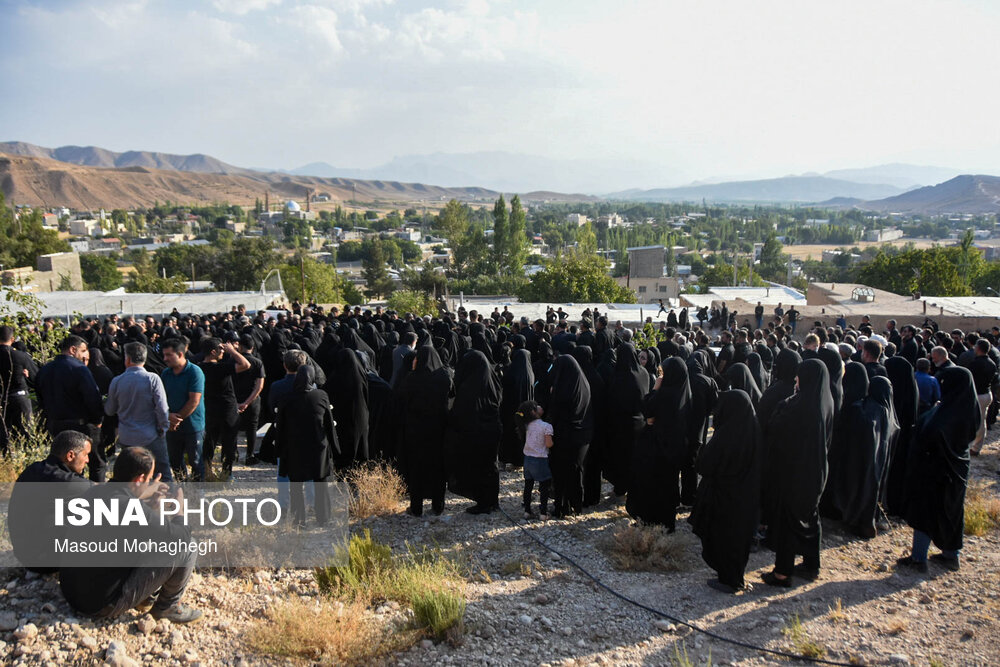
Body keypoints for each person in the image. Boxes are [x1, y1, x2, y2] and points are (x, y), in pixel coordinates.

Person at [58, 447, 202, 623]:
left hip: (71, 593)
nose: (150, 484)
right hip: (100, 604)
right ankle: (167, 607)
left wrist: (150, 505)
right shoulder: (132, 509)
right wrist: (179, 510)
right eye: (149, 480)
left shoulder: (93, 492)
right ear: (140, 479)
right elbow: (180, 536)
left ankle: (146, 596)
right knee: (188, 546)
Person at [898, 366, 979, 573]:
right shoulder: (968, 408)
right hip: (958, 467)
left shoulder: (945, 415)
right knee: (951, 511)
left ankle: (919, 559)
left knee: (925, 514)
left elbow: (930, 435)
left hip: (934, 471)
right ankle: (951, 555)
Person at [762, 359, 834, 587]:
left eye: (799, 376)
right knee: (810, 514)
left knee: (787, 521)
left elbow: (775, 430)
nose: (795, 379)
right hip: (817, 469)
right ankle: (812, 564)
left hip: (793, 471)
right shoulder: (826, 401)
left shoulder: (797, 406)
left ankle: (782, 573)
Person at [691, 390, 761, 593]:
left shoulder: (726, 434)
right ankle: (734, 576)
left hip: (724, 497)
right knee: (738, 539)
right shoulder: (753, 429)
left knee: (723, 537)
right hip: (747, 498)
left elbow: (704, 465)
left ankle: (729, 580)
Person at [9, 430, 95, 573]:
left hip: (24, 555)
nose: (87, 460)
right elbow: (110, 491)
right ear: (70, 455)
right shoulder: (68, 482)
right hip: (45, 561)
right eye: (85, 455)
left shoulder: (32, 470)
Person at [627, 357, 690, 529]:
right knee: (668, 484)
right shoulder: (685, 391)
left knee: (652, 484)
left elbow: (647, 408)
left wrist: (655, 389)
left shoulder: (666, 393)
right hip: (675, 446)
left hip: (658, 446)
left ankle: (649, 521)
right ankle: (666, 522)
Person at [35, 334, 105, 482]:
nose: (85, 355)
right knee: (96, 463)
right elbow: (92, 397)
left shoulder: (45, 370)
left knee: (63, 465)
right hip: (81, 425)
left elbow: (40, 399)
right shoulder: (79, 369)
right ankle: (97, 497)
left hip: (56, 425)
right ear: (73, 350)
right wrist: (97, 420)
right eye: (83, 350)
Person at [275, 365, 339, 526]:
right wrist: (335, 447)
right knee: (320, 483)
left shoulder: (286, 397)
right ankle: (323, 517)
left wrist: (278, 449)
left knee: (296, 486)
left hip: (294, 445)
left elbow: (280, 425)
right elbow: (329, 424)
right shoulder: (321, 396)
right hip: (318, 445)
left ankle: (298, 520)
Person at [104, 342, 172, 482]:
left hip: (127, 436)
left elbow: (109, 410)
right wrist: (163, 427)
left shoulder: (117, 381)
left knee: (130, 476)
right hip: (151, 434)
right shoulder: (152, 379)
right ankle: (168, 501)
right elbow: (162, 408)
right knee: (162, 472)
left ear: (127, 359)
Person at [446, 350, 503, 514]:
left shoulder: (468, 388)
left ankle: (484, 502)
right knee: (491, 466)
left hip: (476, 434)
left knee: (478, 466)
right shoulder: (493, 382)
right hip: (493, 430)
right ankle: (492, 501)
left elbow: (461, 413)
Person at [399, 347, 452, 517]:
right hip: (439, 429)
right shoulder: (444, 377)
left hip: (416, 430)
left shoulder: (412, 378)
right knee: (438, 467)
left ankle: (416, 507)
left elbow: (404, 401)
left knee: (417, 467)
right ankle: (438, 505)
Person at [546, 354, 593, 517]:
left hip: (565, 435)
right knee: (576, 470)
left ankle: (561, 507)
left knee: (561, 472)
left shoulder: (563, 388)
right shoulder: (583, 383)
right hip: (583, 434)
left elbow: (556, 411)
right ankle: (577, 505)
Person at [198, 337, 251, 476]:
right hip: (227, 408)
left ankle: (206, 470)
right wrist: (232, 351)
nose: (223, 352)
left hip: (209, 407)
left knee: (210, 440)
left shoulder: (199, 368)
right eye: (221, 349)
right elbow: (245, 364)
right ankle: (227, 473)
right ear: (213, 352)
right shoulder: (221, 367)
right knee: (229, 442)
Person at [160, 338, 206, 482]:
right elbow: (161, 398)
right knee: (175, 461)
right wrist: (168, 416)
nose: (165, 358)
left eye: (168, 355)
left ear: (180, 354)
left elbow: (194, 400)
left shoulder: (194, 372)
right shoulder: (166, 374)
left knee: (196, 461)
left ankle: (199, 494)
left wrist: (176, 419)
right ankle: (182, 489)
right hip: (172, 426)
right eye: (164, 355)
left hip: (192, 425)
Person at [0, 325, 38, 454]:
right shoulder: (20, 356)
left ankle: (7, 460)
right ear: (12, 339)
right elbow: (35, 377)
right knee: (26, 433)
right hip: (20, 396)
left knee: (4, 435)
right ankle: (28, 458)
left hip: (2, 400)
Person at [517, 400, 553, 519]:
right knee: (544, 486)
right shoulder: (546, 426)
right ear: (534, 412)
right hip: (540, 459)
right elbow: (548, 444)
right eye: (537, 406)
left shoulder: (526, 426)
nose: (540, 406)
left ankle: (527, 511)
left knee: (528, 485)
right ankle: (543, 513)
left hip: (527, 459)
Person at [234, 334, 266, 464]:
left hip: (235, 399)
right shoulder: (258, 362)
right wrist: (247, 402)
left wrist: (237, 402)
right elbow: (260, 385)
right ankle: (249, 455)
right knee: (251, 428)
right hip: (253, 400)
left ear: (240, 347)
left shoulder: (233, 362)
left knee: (233, 427)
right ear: (252, 347)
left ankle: (233, 453)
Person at [501, 348, 534, 467]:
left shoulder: (511, 371)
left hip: (511, 409)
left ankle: (508, 458)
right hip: (526, 411)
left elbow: (504, 383)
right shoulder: (530, 373)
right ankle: (521, 459)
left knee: (510, 432)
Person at [967, 339, 997, 456]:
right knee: (982, 421)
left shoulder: (975, 363)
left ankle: (974, 447)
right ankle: (976, 446)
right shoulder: (991, 363)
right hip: (987, 394)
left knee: (976, 422)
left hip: (978, 395)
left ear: (978, 349)